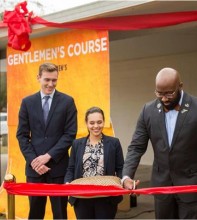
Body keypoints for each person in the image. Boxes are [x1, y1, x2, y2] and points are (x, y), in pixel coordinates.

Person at [122, 67, 197, 219]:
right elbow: (136, 147)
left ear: (180, 86)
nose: (164, 99)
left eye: (169, 93)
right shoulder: (147, 110)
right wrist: (126, 176)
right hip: (162, 186)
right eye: (159, 93)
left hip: (193, 185)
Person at [16, 63, 78, 219]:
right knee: (35, 214)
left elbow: (69, 134)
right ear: (38, 78)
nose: (51, 84)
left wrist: (48, 156)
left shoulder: (67, 102)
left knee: (60, 214)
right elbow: (22, 135)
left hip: (58, 169)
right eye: (47, 79)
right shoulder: (27, 103)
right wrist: (34, 161)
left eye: (54, 80)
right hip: (34, 170)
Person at [64, 106, 124, 219]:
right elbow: (70, 168)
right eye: (92, 123)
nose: (96, 126)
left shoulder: (114, 143)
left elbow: (120, 167)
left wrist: (125, 183)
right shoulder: (76, 144)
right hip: (82, 198)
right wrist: (67, 183)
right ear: (86, 123)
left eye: (99, 122)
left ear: (104, 122)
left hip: (106, 198)